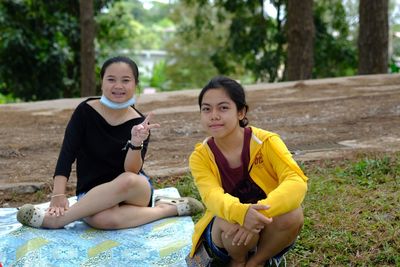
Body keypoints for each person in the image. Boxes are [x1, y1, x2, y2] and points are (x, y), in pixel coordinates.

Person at [16, 56, 204, 230]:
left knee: (127, 179)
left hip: (133, 191)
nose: (118, 86)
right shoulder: (85, 111)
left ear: (135, 84)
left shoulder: (140, 123)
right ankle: (167, 209)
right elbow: (67, 153)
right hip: (92, 193)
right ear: (102, 83)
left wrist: (136, 141)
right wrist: (58, 195)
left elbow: (132, 171)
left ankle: (57, 221)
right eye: (111, 79)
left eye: (126, 80)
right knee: (104, 220)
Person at [187, 76, 308, 267]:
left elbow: (296, 180)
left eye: (223, 107)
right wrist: (242, 213)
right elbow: (211, 196)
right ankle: (237, 261)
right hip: (224, 234)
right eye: (206, 109)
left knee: (294, 215)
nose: (214, 115)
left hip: (267, 227)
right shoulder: (200, 156)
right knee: (231, 223)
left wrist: (257, 213)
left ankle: (257, 262)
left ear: (241, 112)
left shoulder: (266, 141)